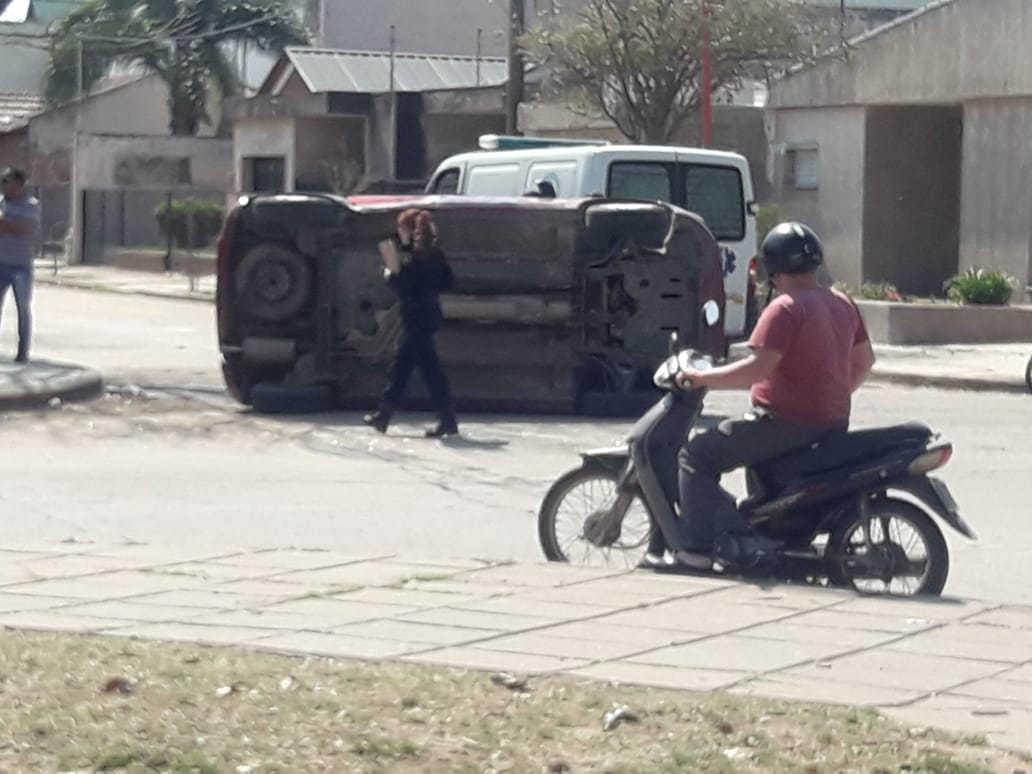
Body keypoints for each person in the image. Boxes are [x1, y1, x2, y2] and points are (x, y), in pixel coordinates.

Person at [670, 222, 875, 569]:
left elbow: (756, 369)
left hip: (784, 424)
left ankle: (702, 549)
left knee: (696, 456)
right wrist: (835, 393)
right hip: (831, 423)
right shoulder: (842, 302)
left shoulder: (785, 309)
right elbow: (865, 360)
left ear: (773, 270)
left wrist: (701, 377)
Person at [364, 208, 459, 437]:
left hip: (415, 316)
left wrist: (391, 274)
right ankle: (385, 416)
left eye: (401, 228)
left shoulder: (411, 256)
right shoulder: (435, 253)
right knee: (405, 367)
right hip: (429, 314)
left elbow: (405, 287)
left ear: (408, 230)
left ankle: (446, 420)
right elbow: (449, 282)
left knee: (424, 371)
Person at [0, 167, 41, 363]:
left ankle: (23, 350)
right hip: (1, 263)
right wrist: (10, 225)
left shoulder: (30, 205)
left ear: (18, 183)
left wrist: (7, 225)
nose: (4, 184)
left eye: (7, 180)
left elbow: (26, 228)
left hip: (21, 266)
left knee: (23, 309)